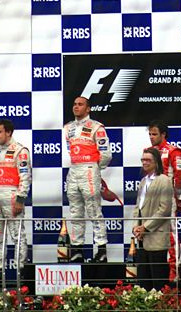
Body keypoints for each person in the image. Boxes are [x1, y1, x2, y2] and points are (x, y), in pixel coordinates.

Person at [64, 96, 111, 263]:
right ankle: (77, 250)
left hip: (90, 169)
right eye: (74, 104)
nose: (76, 107)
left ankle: (101, 249)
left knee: (94, 210)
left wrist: (95, 168)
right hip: (74, 169)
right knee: (75, 212)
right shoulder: (67, 128)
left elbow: (106, 154)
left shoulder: (97, 127)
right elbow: (70, 149)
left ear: (88, 108)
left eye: (80, 104)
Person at [0, 119, 31, 274]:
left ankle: (20, 273)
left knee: (17, 236)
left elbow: (25, 177)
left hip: (12, 195)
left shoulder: (20, 150)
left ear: (8, 132)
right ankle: (0, 272)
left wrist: (20, 199)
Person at [148, 120, 181, 281]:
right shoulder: (149, 151)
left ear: (163, 134)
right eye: (150, 134)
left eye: (154, 134)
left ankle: (175, 271)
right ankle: (157, 272)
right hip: (150, 200)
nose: (151, 137)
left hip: (166, 199)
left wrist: (175, 195)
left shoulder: (173, 151)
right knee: (151, 233)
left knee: (170, 233)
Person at [132, 147, 173, 291]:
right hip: (142, 238)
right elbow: (138, 206)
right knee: (144, 281)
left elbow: (164, 209)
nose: (144, 162)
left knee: (158, 280)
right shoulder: (143, 181)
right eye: (143, 159)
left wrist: (145, 227)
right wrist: (135, 226)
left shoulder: (164, 180)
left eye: (148, 160)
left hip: (156, 236)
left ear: (156, 162)